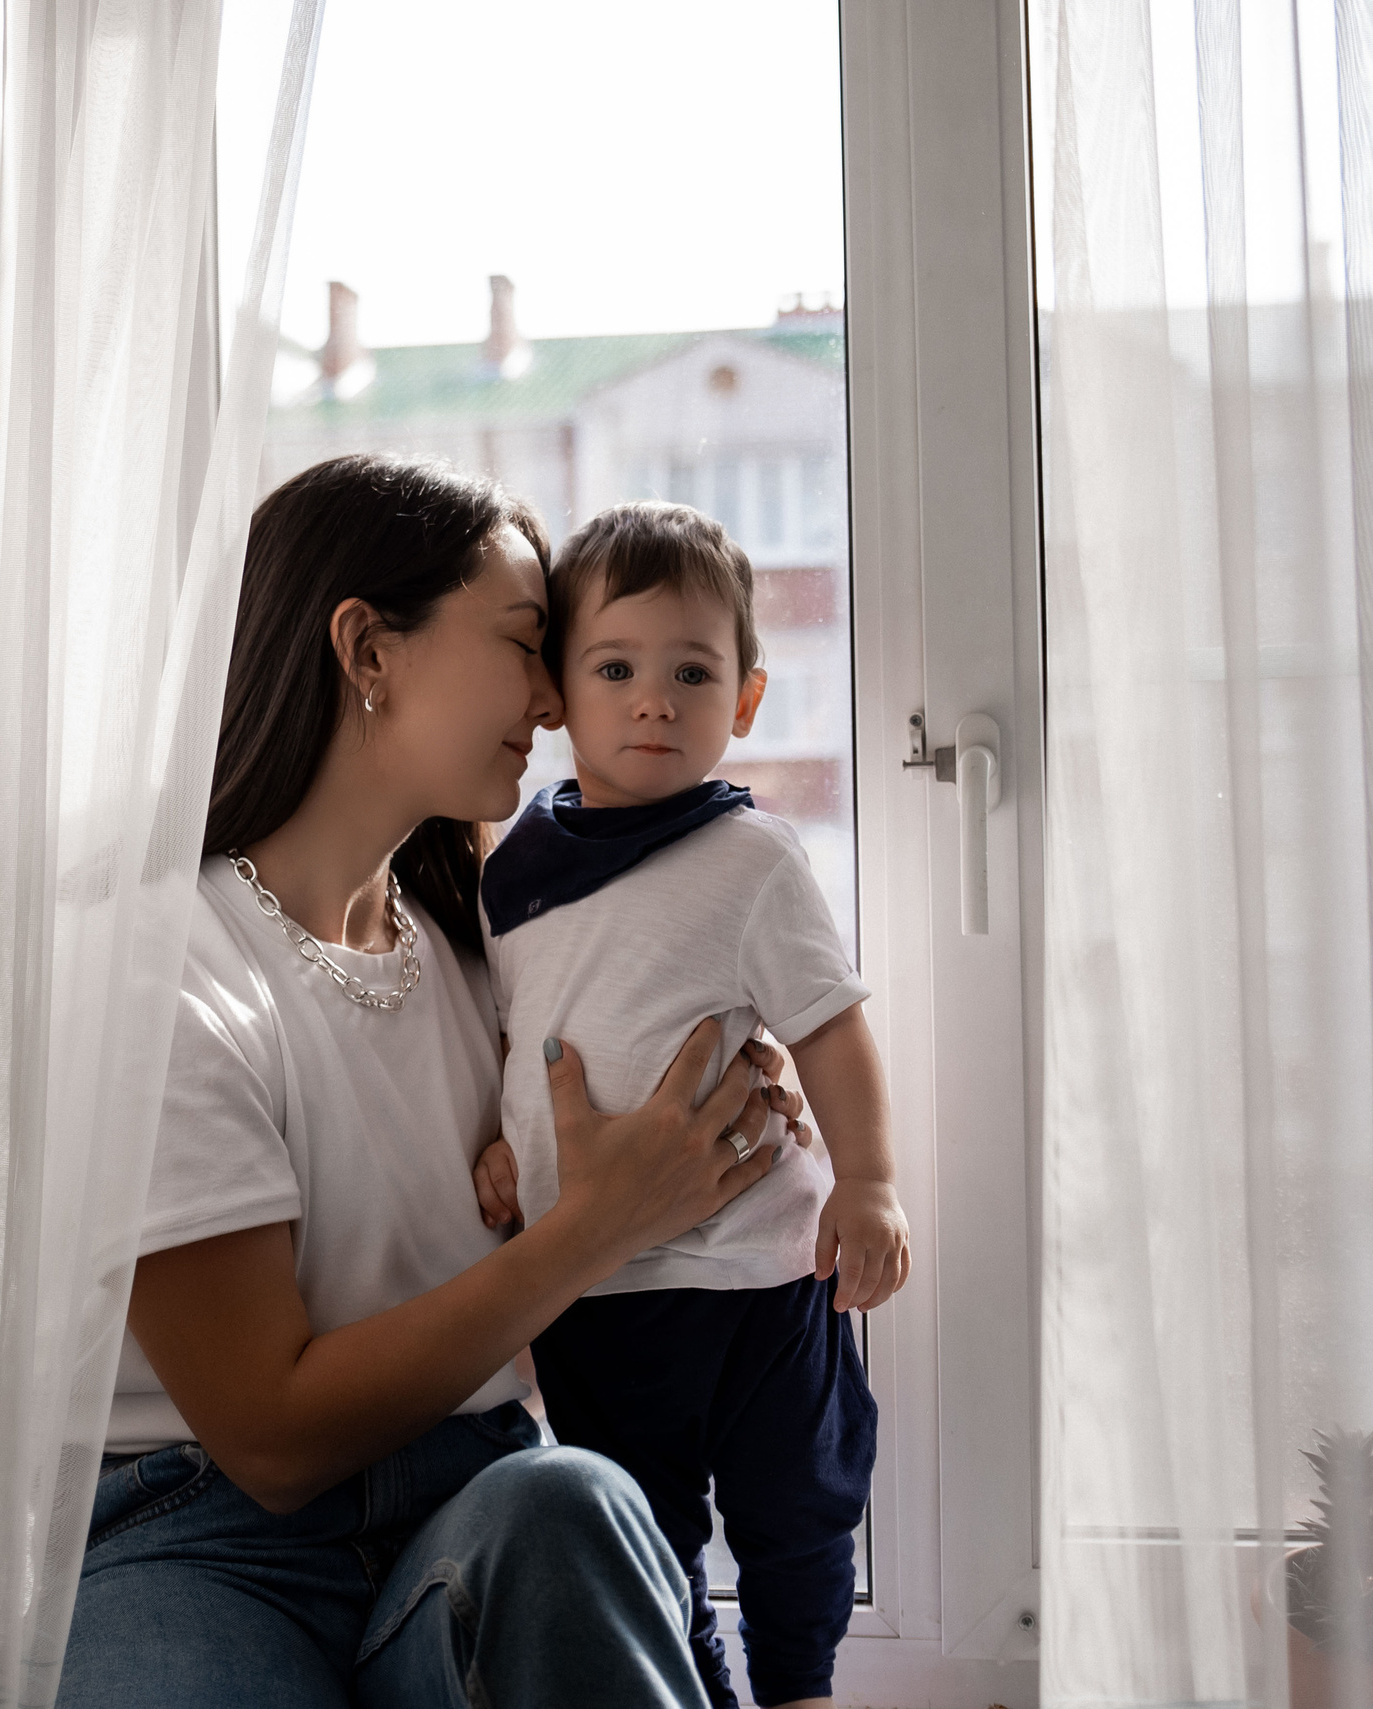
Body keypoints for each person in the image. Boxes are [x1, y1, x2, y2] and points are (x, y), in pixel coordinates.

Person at [61, 454, 813, 1709]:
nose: (554, 695)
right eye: (529, 643)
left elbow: (655, 1090)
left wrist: (734, 1082)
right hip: (197, 1528)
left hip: (477, 1491)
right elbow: (272, 1435)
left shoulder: (485, 940)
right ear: (367, 648)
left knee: (575, 1498)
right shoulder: (158, 968)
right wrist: (594, 1226)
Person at [466, 502, 911, 1709]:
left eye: (691, 671)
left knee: (795, 1504)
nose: (652, 699)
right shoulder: (510, 870)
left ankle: (799, 1686)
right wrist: (500, 1144)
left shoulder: (750, 857)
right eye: (615, 668)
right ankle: (690, 1683)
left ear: (747, 701)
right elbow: (514, 1032)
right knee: (639, 1524)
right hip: (598, 1288)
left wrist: (867, 1180)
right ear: (558, 690)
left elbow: (828, 1024)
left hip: (759, 1271)